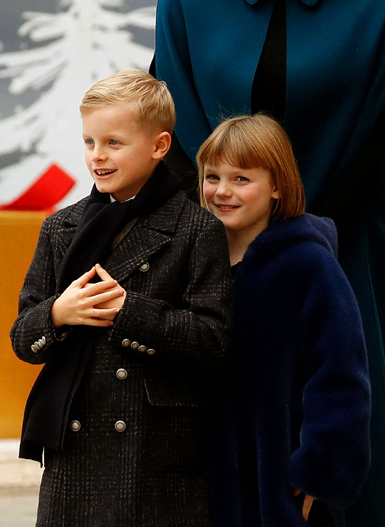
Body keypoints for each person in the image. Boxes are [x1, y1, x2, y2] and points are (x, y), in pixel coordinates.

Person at [154, 0, 385, 526]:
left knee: (336, 412)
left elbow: (374, 145)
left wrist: (299, 246)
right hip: (214, 250)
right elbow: (174, 143)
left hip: (340, 245)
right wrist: (221, 246)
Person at [10, 70, 233, 527]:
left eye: (114, 142)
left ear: (159, 146)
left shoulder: (197, 228)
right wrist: (58, 313)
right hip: (75, 452)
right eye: (90, 142)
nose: (97, 156)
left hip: (158, 455)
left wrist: (130, 312)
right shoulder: (61, 227)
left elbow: (215, 341)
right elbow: (21, 338)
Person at [197, 114, 371, 527]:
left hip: (280, 483)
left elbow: (341, 374)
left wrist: (320, 470)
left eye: (241, 179)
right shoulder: (197, 262)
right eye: (212, 176)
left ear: (276, 185)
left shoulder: (309, 265)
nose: (222, 191)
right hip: (204, 483)